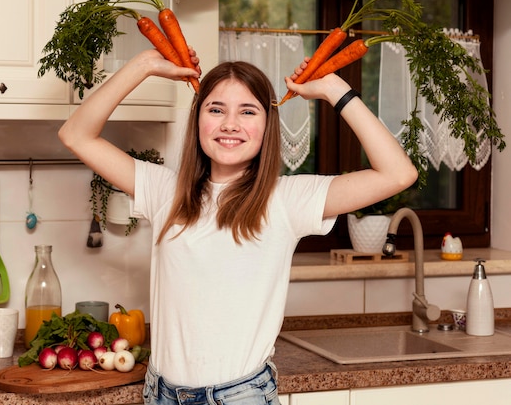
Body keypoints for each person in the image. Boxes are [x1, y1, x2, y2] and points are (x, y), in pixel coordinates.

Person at [58, 48, 418, 404]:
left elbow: (398, 173)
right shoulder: (164, 190)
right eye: (216, 110)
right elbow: (76, 134)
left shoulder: (287, 199)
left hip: (239, 396)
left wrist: (334, 90)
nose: (230, 124)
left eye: (247, 111)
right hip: (161, 393)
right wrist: (144, 65)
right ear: (198, 119)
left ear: (267, 124)